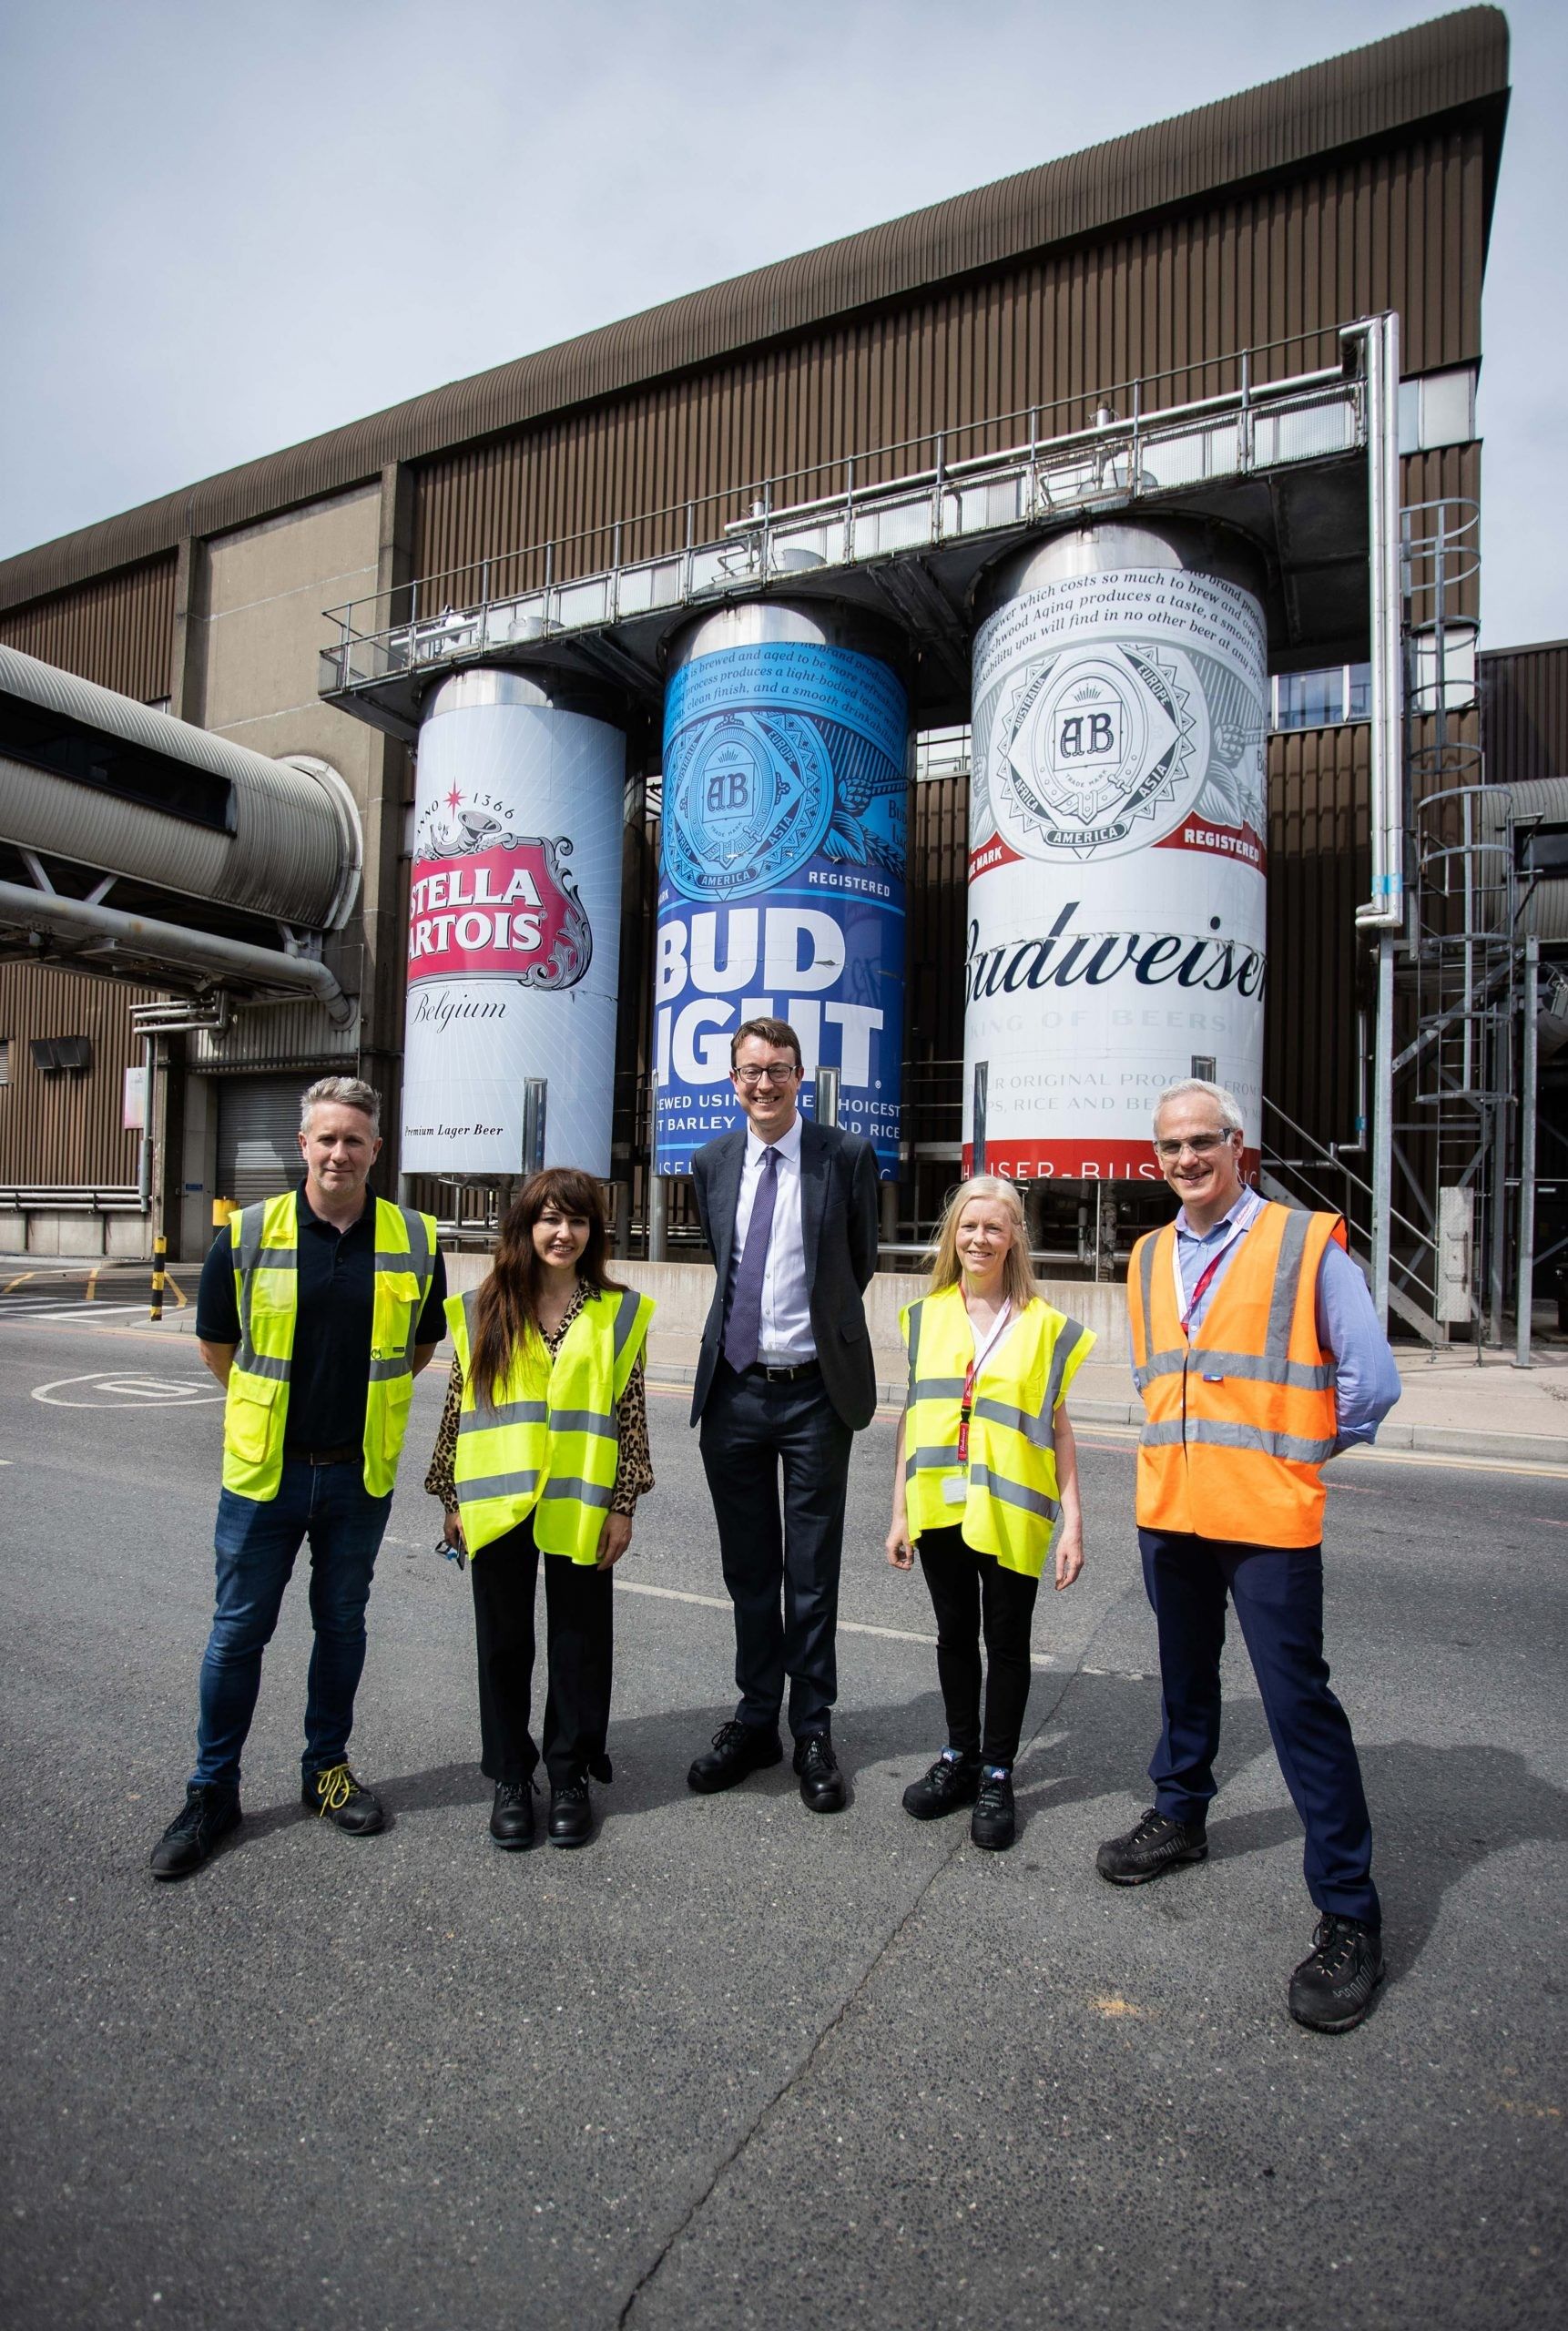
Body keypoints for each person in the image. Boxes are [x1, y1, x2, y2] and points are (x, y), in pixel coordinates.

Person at [1098, 1077, 1402, 2034]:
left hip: (1267, 1518)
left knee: (1297, 1706)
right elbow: (1160, 1378)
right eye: (1170, 1146)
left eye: (1204, 1141)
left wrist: (1295, 1453)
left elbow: (1372, 1383)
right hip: (1171, 1510)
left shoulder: (1305, 1243)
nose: (1187, 1158)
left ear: (1240, 1147)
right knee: (1185, 1681)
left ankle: (1349, 1913)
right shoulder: (1149, 1255)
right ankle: (1180, 1814)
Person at [151, 1077, 444, 1878]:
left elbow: (418, 1350)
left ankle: (326, 1771)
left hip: (357, 1476)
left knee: (341, 1627)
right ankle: (213, 1791)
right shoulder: (248, 1233)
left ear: (376, 1149)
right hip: (265, 1477)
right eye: (326, 1138)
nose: (338, 1153)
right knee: (237, 1633)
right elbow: (218, 1345)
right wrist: (271, 1415)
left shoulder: (415, 1238)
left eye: (354, 1140)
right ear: (302, 1145)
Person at [425, 1169, 654, 1850]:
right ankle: (509, 1777)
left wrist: (623, 1505)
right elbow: (458, 1405)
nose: (563, 1233)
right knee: (502, 1645)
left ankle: (571, 1773)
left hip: (582, 1500)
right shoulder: (483, 1307)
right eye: (550, 1219)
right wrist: (451, 1498)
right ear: (525, 1228)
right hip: (496, 1498)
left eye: (577, 1220)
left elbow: (630, 1414)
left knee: (580, 1643)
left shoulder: (618, 1312)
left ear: (594, 1232)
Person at [685, 1017, 880, 1813]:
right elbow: (723, 1259)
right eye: (750, 1071)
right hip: (733, 1390)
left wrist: (814, 1341)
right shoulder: (711, 1161)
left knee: (811, 1572)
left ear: (800, 1076)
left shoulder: (846, 1155)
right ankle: (756, 1716)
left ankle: (813, 1727)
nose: (763, 1083)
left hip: (813, 1393)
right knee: (748, 1570)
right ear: (733, 1081)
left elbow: (858, 1263)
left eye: (778, 1069)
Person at [885, 1177, 1092, 1849]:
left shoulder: (1045, 1326)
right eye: (968, 1227)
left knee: (1006, 1643)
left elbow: (1059, 1428)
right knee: (953, 1635)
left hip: (1011, 1512)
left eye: (993, 1228)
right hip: (940, 1506)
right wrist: (898, 1513)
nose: (979, 1239)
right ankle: (959, 1756)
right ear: (953, 1235)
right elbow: (912, 1417)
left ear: (1014, 1238)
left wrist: (1074, 1522)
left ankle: (997, 1772)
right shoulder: (924, 1316)